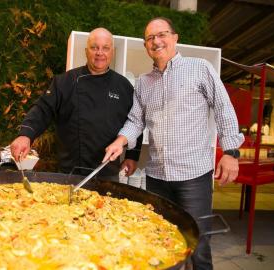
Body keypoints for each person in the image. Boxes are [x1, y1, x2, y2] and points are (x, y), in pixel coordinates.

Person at [103, 17, 244, 269]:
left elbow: (224, 109)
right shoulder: (144, 83)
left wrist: (231, 152)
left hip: (193, 176)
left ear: (175, 37)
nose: (156, 41)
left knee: (198, 246)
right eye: (150, 38)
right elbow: (136, 121)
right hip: (157, 178)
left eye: (162, 34)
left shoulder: (200, 68)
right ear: (146, 46)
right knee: (163, 241)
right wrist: (120, 141)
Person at [11, 27, 142, 178]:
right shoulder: (64, 81)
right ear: (86, 51)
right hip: (69, 171)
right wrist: (26, 135)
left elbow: (136, 121)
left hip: (107, 171)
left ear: (112, 52)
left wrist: (132, 156)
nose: (100, 53)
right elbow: (43, 109)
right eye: (94, 47)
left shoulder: (124, 86)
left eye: (105, 48)